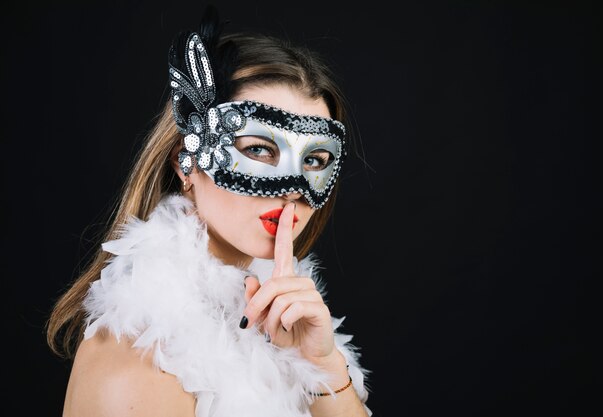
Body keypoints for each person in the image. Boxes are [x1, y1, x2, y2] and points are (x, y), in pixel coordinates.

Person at [46, 4, 371, 417]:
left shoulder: (290, 324)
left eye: (315, 160)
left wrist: (322, 367)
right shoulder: (142, 354)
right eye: (257, 149)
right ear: (188, 160)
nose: (293, 190)